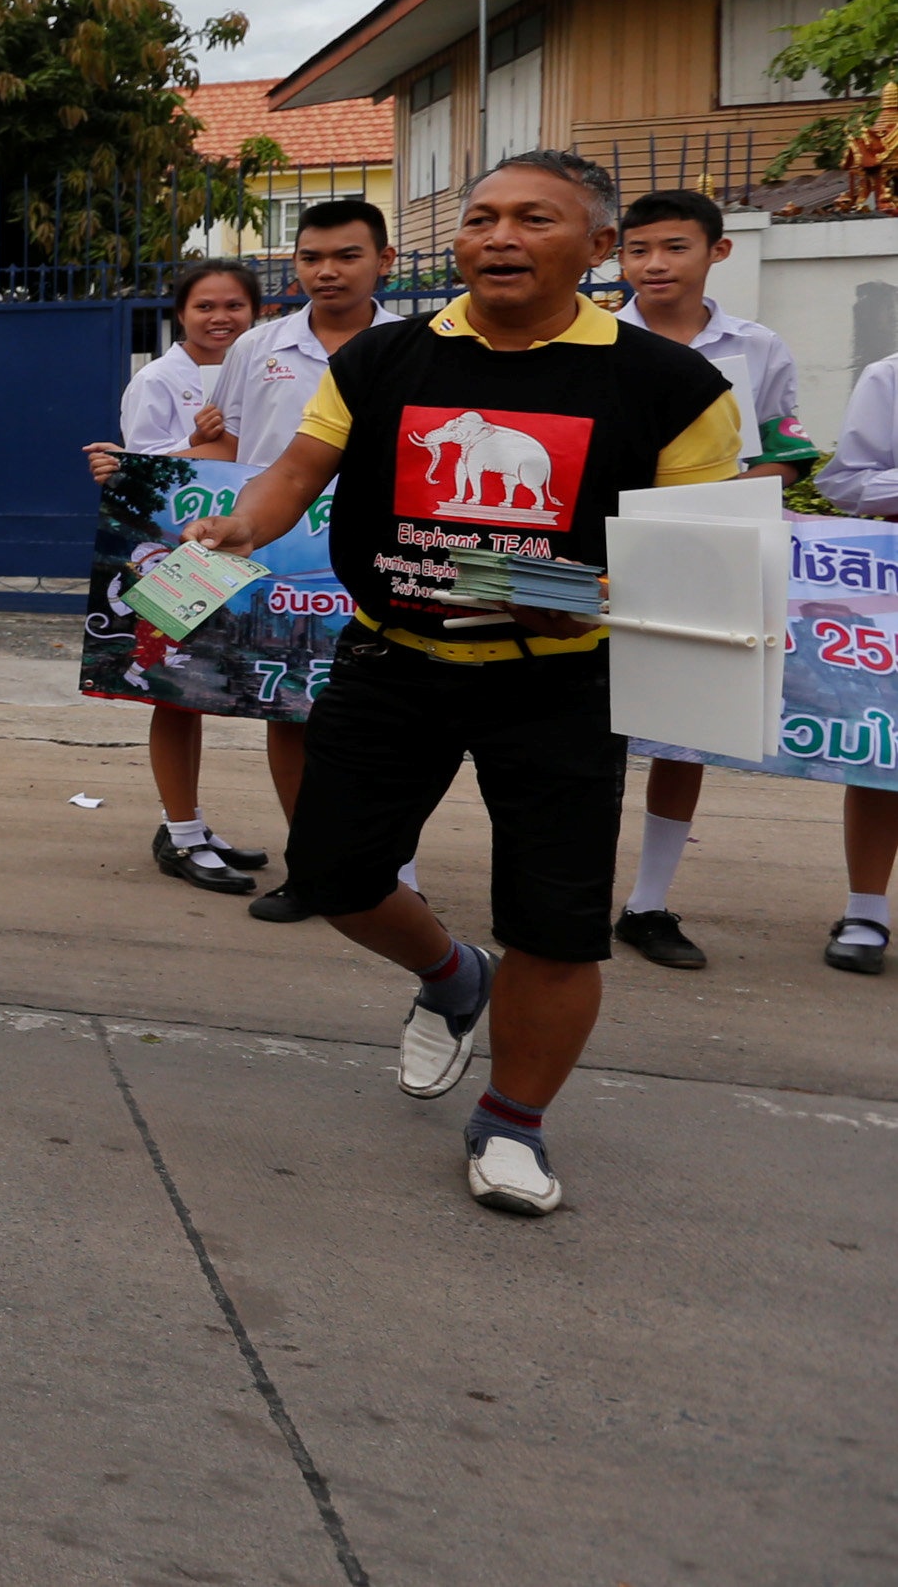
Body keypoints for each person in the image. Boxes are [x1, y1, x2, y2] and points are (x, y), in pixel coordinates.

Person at [189, 151, 738, 1219]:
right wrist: (241, 524)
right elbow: (296, 469)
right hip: (390, 657)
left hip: (561, 681)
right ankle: (451, 974)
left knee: (554, 920)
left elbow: (698, 563)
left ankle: (512, 1120)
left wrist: (577, 597)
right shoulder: (386, 356)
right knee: (333, 871)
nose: (497, 237)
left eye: (532, 218)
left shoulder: (671, 386)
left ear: (595, 245)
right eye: (481, 217)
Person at [603, 187, 808, 974]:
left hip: (704, 556)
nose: (655, 263)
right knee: (579, 724)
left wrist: (729, 497)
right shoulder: (591, 338)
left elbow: (787, 451)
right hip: (603, 552)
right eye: (638, 249)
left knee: (682, 730)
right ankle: (566, 887)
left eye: (675, 247)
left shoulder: (757, 346)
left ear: (718, 251)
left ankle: (647, 902)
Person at [193, 197, 411, 922]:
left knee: (388, 720)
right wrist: (162, 475)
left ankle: (394, 880)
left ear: (384, 260)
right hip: (279, 554)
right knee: (288, 711)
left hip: (384, 559)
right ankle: (311, 869)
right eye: (311, 258)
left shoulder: (416, 346)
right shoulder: (258, 347)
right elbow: (228, 447)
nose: (327, 272)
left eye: (347, 256)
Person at [82, 258, 265, 892]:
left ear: (257, 312)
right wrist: (202, 440)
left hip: (262, 535)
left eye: (234, 306)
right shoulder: (159, 380)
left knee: (261, 691)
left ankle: (194, 827)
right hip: (179, 549)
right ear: (181, 313)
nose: (220, 318)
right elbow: (139, 473)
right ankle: (182, 833)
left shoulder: (267, 371)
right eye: (204, 306)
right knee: (175, 687)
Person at [798, 356, 898, 976]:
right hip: (891, 581)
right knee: (885, 748)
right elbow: (845, 481)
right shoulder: (891, 378)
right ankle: (866, 912)